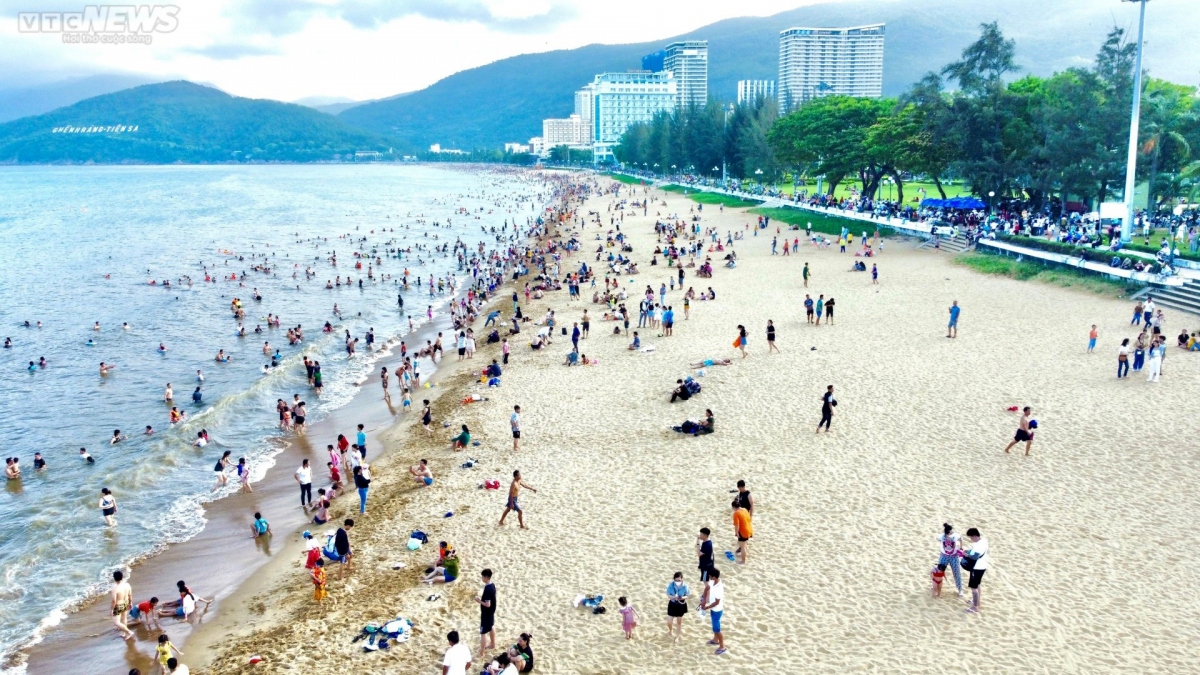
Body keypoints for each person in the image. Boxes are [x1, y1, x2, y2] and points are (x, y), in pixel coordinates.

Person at [962, 527, 989, 613]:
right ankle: (977, 601)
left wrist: (966, 555)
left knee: (973, 587)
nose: (971, 539)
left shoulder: (978, 545)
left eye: (971, 537)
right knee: (978, 585)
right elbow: (975, 552)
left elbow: (975, 557)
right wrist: (969, 551)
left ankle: (975, 607)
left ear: (974, 536)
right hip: (983, 566)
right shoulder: (983, 541)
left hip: (977, 567)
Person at [701, 568, 727, 655]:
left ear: (714, 577)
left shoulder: (719, 587)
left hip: (717, 610)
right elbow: (706, 588)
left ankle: (722, 646)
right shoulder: (712, 582)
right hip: (713, 609)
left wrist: (707, 607)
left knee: (716, 629)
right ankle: (715, 640)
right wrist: (704, 599)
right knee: (714, 626)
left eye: (710, 576)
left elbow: (717, 602)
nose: (709, 577)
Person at [935, 523, 964, 598]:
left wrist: (961, 548)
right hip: (944, 556)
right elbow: (937, 538)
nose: (952, 534)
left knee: (956, 572)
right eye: (950, 533)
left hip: (954, 556)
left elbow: (961, 539)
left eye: (952, 532)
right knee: (939, 571)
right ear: (946, 533)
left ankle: (960, 589)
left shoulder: (955, 536)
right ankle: (936, 585)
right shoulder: (941, 536)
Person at [477, 569, 497, 658]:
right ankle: (493, 644)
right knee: (491, 626)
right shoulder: (492, 585)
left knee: (483, 632)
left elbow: (487, 604)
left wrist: (479, 601)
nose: (482, 578)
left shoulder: (488, 588)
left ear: (486, 577)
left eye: (482, 576)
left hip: (487, 613)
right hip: (491, 612)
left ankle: (482, 652)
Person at [110, 570, 134, 640]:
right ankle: (124, 633)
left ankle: (129, 632)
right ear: (122, 577)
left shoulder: (115, 589)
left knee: (116, 622)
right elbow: (130, 595)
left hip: (118, 606)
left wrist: (111, 609)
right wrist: (130, 603)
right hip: (125, 603)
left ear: (114, 578)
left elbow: (114, 601)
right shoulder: (127, 585)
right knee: (124, 619)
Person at [665, 572, 689, 643]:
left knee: (679, 621)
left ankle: (677, 636)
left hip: (681, 605)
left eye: (679, 580)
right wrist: (674, 597)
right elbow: (668, 594)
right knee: (669, 621)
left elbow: (687, 595)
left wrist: (682, 597)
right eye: (676, 580)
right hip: (672, 604)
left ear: (682, 579)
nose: (677, 582)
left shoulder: (685, 586)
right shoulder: (671, 585)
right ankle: (670, 630)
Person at [732, 499, 753, 564]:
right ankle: (742, 553)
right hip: (749, 529)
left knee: (743, 546)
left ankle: (743, 561)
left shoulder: (736, 513)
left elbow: (736, 525)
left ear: (733, 507)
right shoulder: (745, 509)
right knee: (744, 543)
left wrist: (736, 533)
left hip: (743, 531)